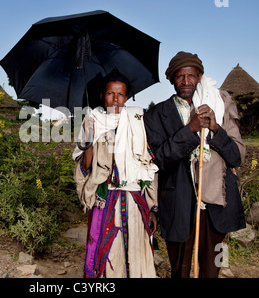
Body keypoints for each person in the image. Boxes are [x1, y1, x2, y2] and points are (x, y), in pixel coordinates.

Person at [143, 51, 246, 278]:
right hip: (177, 203)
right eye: (180, 76)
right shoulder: (156, 115)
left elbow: (237, 157)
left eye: (191, 76)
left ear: (199, 76)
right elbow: (159, 159)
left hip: (216, 204)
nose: (186, 82)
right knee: (180, 268)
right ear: (171, 79)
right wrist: (190, 130)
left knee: (212, 268)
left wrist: (216, 129)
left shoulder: (219, 105)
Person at [73, 68, 159, 278]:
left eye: (121, 94)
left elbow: (147, 165)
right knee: (108, 253)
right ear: (102, 95)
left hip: (134, 199)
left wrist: (152, 208)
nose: (115, 100)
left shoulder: (137, 121)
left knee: (136, 252)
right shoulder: (93, 121)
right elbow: (86, 166)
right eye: (111, 93)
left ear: (126, 97)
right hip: (107, 198)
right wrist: (89, 139)